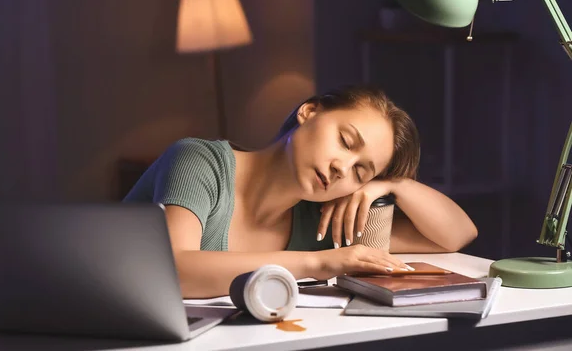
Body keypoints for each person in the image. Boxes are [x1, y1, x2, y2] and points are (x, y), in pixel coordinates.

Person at [124, 86, 478, 298]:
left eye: (360, 171)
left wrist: (393, 184)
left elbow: (456, 234)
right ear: (309, 111)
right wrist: (318, 263)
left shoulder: (326, 219)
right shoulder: (199, 160)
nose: (342, 168)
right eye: (345, 141)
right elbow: (173, 270)